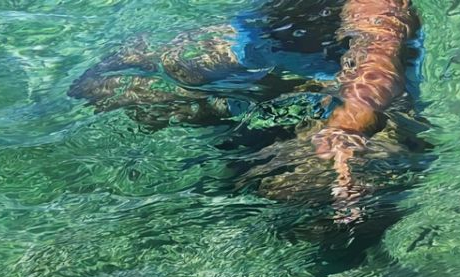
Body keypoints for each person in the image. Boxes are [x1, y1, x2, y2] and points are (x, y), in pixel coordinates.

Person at [69, 0, 419, 219]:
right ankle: (218, 114)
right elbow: (241, 32)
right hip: (266, 54)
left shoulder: (375, 6)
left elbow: (376, 64)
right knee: (109, 87)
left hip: (337, 89)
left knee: (311, 189)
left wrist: (346, 128)